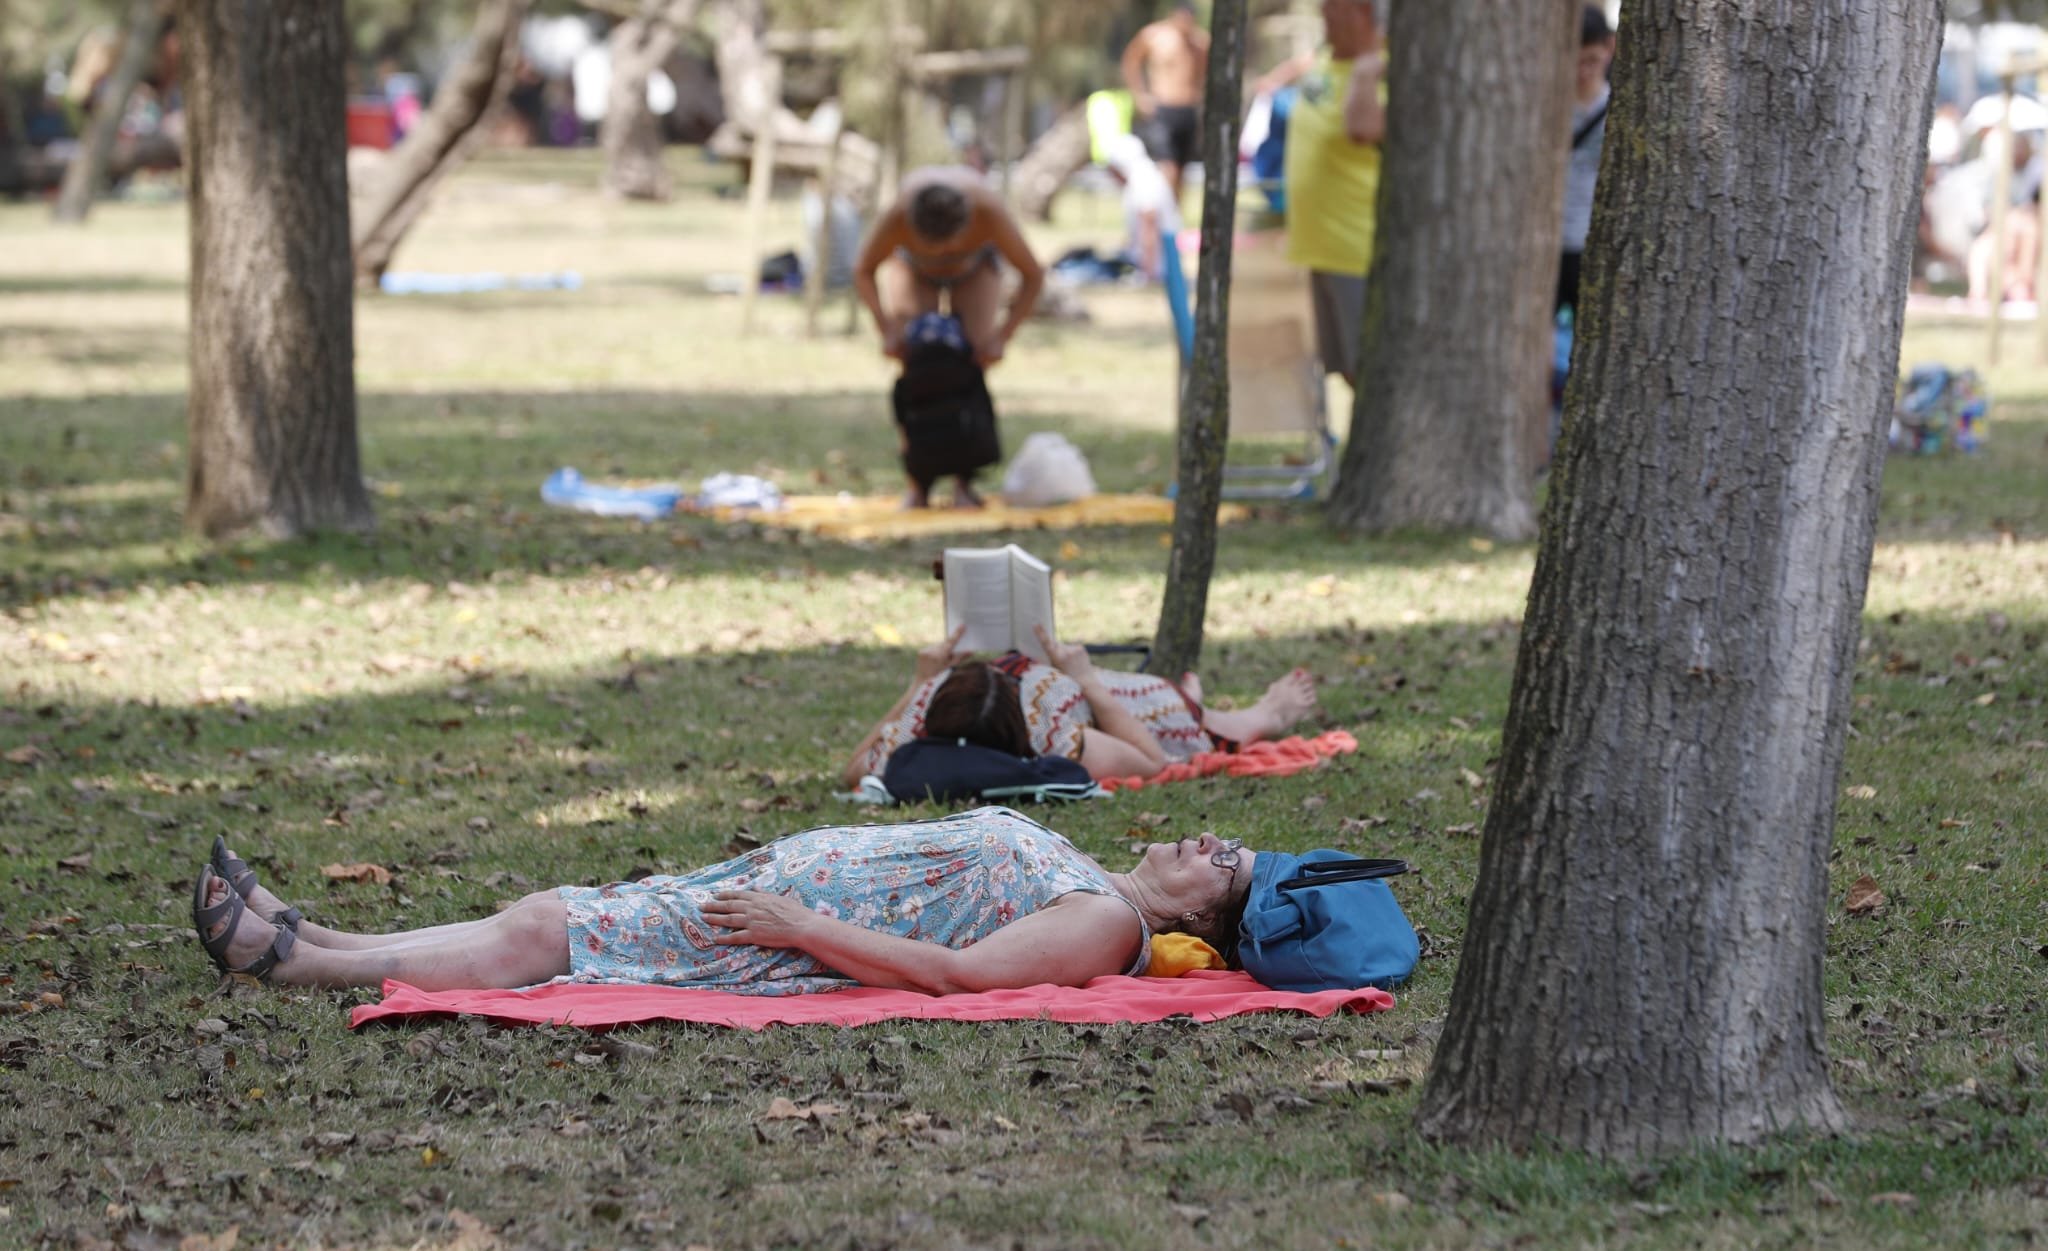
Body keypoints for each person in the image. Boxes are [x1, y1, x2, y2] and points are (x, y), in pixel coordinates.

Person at [191, 816, 1256, 995]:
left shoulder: (1106, 924)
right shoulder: (1086, 865)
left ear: (1198, 923)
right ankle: (324, 932)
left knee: (541, 935)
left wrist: (798, 928)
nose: (1211, 842)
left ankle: (291, 966)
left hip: (783, 937)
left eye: (1228, 864)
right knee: (548, 906)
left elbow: (962, 975)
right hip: (774, 890)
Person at [844, 624, 1321, 788]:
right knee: (1169, 717)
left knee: (1163, 699)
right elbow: (1152, 762)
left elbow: (851, 770)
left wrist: (918, 683)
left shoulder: (918, 721)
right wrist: (1086, 678)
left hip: (1045, 679)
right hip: (1079, 691)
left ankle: (1191, 702)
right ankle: (1257, 715)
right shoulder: (1049, 734)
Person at [853, 167, 1045, 508]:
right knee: (918, 368)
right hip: (912, 270)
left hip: (975, 271)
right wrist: (887, 328)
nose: (942, 256)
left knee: (969, 365)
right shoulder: (897, 215)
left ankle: (964, 482)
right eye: (934, 248)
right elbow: (864, 269)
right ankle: (918, 484)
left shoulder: (988, 212)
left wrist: (1002, 336)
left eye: (948, 248)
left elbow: (1032, 274)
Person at [1276, 0, 1387, 389]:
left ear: (1364, 12)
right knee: (1344, 366)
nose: (1324, 12)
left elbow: (1362, 128)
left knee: (1369, 367)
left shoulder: (1383, 70)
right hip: (1318, 248)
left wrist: (1365, 73)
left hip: (1355, 248)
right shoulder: (1323, 63)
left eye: (1334, 7)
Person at [1557, 5, 1614, 319]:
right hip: (1546, 244)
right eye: (1578, 62)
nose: (1584, 71)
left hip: (1589, 244)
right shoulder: (1550, 104)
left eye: (1592, 61)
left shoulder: (1615, 108)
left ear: (1609, 49)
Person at [1121, 2, 1210, 203]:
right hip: (1162, 108)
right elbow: (1130, 62)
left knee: (1182, 170)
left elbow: (1207, 72)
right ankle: (1162, 213)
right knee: (1167, 166)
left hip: (1188, 109)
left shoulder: (1199, 42)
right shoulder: (1154, 36)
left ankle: (1172, 220)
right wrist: (1140, 95)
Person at [1103, 132, 1184, 282]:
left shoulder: (1143, 183)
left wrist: (1147, 274)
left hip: (1155, 267)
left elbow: (1150, 228)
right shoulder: (1146, 175)